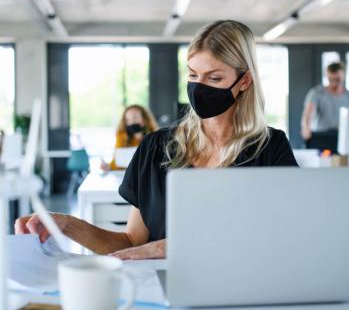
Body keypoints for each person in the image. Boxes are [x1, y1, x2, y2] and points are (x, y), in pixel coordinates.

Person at [15, 20, 297, 260]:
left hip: (240, 292)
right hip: (159, 292)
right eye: (193, 75)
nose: (199, 87)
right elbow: (132, 244)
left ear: (244, 81)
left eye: (214, 78)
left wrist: (175, 247)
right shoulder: (155, 147)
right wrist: (67, 225)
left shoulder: (271, 149)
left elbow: (283, 242)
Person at [100, 104, 158, 171]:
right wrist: (108, 166)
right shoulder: (121, 136)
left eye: (135, 118)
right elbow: (117, 162)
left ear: (144, 120)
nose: (131, 122)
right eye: (128, 120)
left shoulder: (154, 136)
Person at [301, 62, 349, 141]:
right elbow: (308, 112)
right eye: (331, 80)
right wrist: (306, 127)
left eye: (337, 80)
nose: (334, 83)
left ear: (343, 76)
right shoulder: (317, 93)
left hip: (343, 137)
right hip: (321, 136)